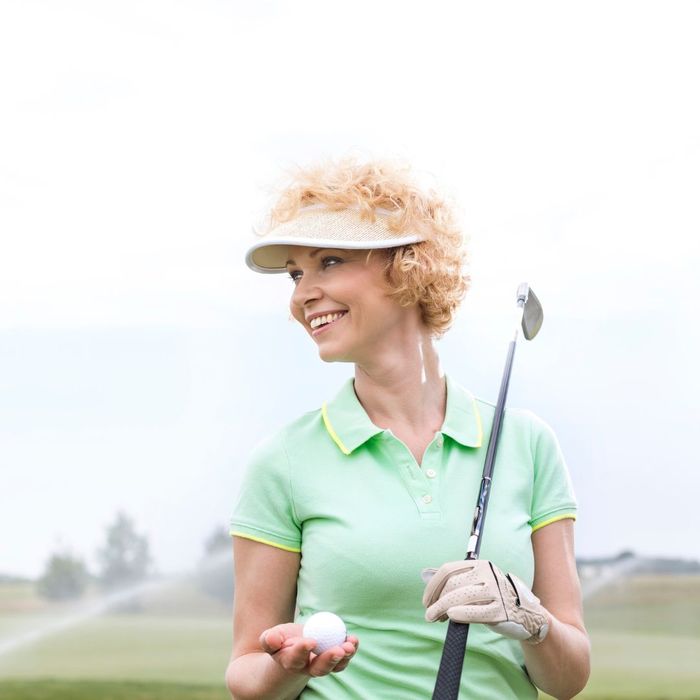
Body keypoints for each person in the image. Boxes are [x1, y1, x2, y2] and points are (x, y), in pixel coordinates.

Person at [225, 157, 590, 699]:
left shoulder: (527, 443)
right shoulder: (284, 459)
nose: (302, 294)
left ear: (407, 266)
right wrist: (290, 664)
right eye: (297, 274)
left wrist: (527, 618)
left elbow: (569, 678)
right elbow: (246, 673)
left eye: (328, 262)